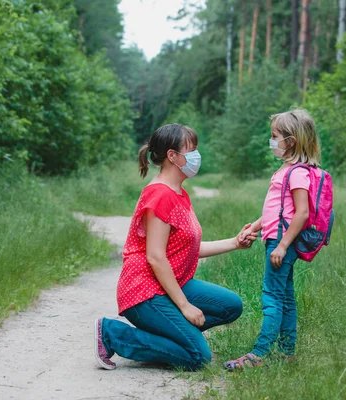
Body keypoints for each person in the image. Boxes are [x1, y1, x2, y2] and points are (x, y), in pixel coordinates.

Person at [94, 123, 257, 371]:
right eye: (191, 150)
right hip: (144, 293)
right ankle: (113, 334)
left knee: (230, 306)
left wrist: (235, 242)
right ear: (172, 155)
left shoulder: (179, 193)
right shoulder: (160, 195)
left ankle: (173, 335)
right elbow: (156, 257)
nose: (196, 156)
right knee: (197, 357)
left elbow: (189, 248)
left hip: (171, 284)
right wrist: (184, 306)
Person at [224, 109, 321, 370]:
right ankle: (287, 352)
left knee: (271, 298)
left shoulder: (298, 173)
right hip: (275, 237)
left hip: (281, 241)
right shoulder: (286, 170)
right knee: (285, 297)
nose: (271, 140)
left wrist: (282, 245)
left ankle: (259, 354)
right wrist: (254, 226)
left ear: (290, 141)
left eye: (274, 136)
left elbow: (301, 213)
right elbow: (278, 209)